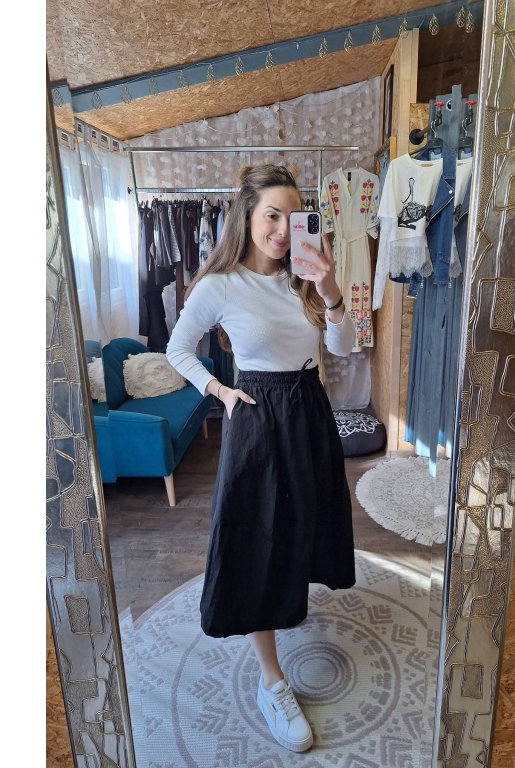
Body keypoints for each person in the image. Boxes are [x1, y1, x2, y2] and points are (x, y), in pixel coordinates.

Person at [166, 163, 356, 753]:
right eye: (271, 215)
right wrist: (219, 392)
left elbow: (343, 347)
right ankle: (271, 681)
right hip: (256, 414)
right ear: (247, 217)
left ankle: (289, 600)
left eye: (291, 217)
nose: (281, 229)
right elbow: (178, 348)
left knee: (302, 524)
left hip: (308, 409)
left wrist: (330, 290)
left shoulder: (307, 278)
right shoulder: (221, 285)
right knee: (256, 540)